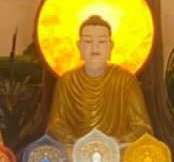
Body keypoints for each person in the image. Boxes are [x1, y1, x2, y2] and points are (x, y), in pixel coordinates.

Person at [47, 15, 152, 145]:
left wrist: (118, 142)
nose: (95, 48)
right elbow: (55, 125)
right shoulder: (67, 81)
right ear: (79, 46)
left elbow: (143, 127)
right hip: (77, 149)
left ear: (110, 46)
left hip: (117, 149)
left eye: (101, 42)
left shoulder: (125, 80)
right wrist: (73, 141)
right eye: (88, 41)